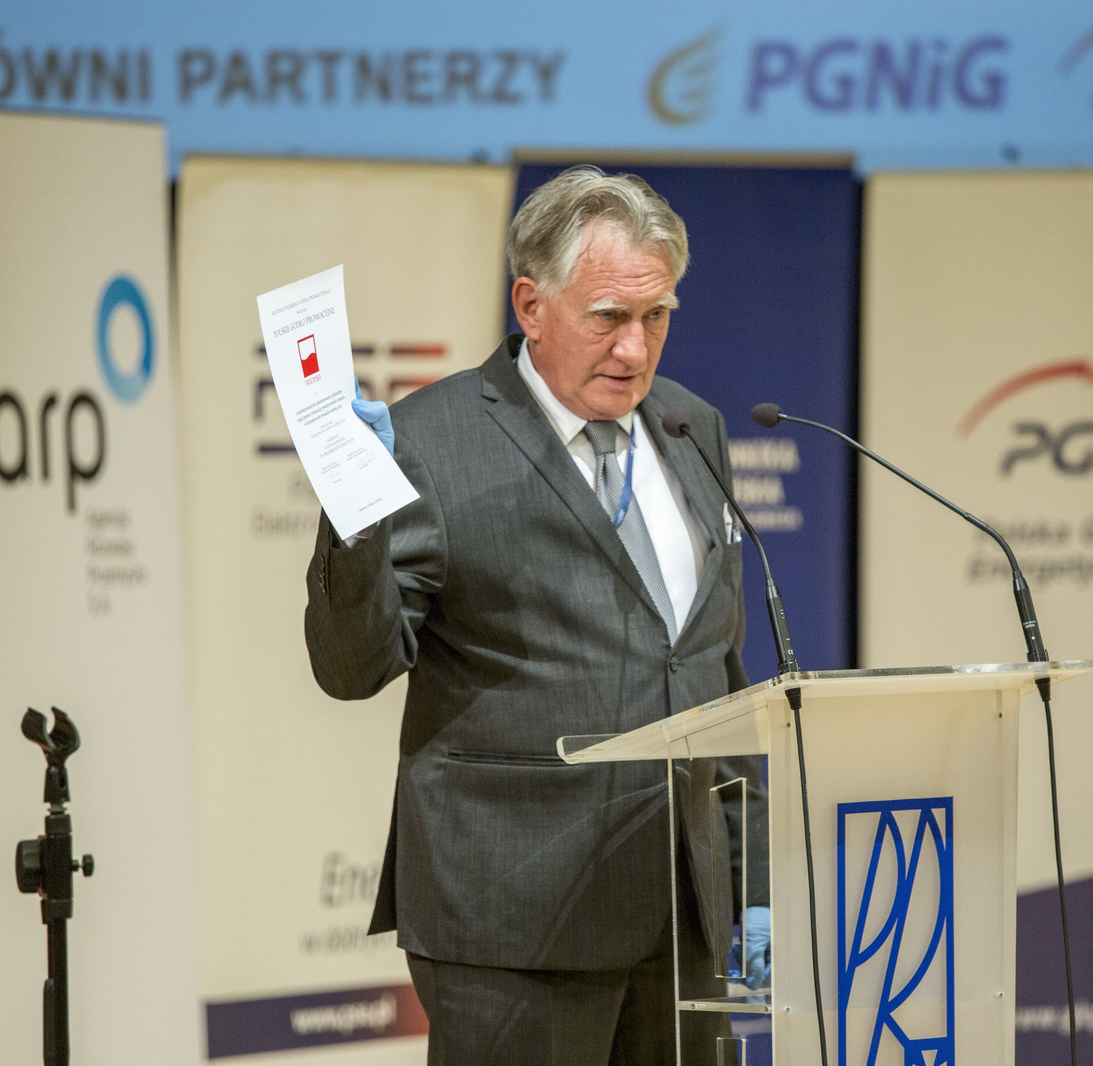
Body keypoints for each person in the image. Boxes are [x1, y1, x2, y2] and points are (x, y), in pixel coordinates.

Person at [304, 166, 769, 1065]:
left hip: (684, 919)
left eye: (657, 316)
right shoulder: (433, 442)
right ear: (531, 305)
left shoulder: (691, 427)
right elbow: (352, 667)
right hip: (516, 926)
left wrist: (753, 890)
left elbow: (714, 673)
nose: (634, 348)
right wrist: (352, 513)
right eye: (609, 317)